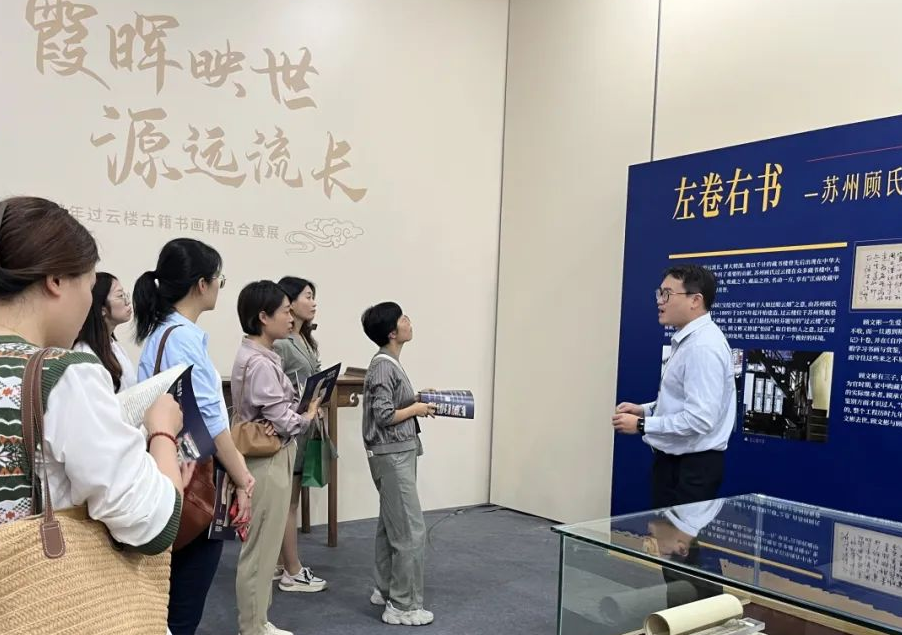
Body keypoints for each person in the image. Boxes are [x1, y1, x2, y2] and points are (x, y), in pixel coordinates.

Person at [0, 196, 187, 557]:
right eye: (88, 286)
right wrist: (163, 433)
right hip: (33, 584)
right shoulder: (63, 373)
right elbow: (152, 525)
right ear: (56, 280)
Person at [134, 238, 255, 635]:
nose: (220, 286)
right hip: (196, 478)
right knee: (185, 604)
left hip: (168, 468)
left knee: (164, 599)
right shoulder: (183, 337)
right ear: (202, 284)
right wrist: (242, 477)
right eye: (219, 278)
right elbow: (211, 423)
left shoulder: (159, 334)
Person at [231, 280, 320, 635]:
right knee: (260, 553)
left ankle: (258, 622)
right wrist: (305, 417)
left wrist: (290, 415)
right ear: (263, 317)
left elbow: (278, 413)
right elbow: (282, 418)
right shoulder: (260, 362)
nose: (291, 317)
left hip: (270, 454)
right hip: (267, 460)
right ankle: (252, 627)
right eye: (284, 311)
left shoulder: (261, 356)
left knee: (265, 550)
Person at [612, 264, 735, 508]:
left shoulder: (702, 347)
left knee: (675, 534)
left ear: (695, 300)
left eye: (667, 294)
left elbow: (700, 419)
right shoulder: (690, 341)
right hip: (676, 465)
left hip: (690, 470)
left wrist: (642, 425)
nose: (660, 301)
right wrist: (645, 410)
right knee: (664, 531)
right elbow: (683, 400)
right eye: (659, 293)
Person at [360, 302, 436, 627]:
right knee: (409, 530)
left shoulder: (388, 363)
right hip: (391, 454)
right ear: (392, 332)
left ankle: (386, 589)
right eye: (403, 318)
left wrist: (416, 399)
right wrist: (416, 409)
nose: (409, 321)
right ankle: (403, 605)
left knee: (391, 524)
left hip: (396, 452)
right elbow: (384, 415)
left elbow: (391, 404)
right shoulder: (383, 366)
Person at [272, 276, 328, 593]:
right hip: (290, 428)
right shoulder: (282, 343)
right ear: (289, 302)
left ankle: (282, 564)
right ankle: (292, 571)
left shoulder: (304, 339)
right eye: (308, 296)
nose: (313, 302)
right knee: (288, 503)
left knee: (289, 501)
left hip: (303, 426)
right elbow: (276, 388)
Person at [73, 271, 138, 392]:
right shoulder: (85, 355)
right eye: (120, 295)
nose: (127, 302)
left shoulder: (114, 346)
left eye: (125, 294)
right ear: (102, 309)